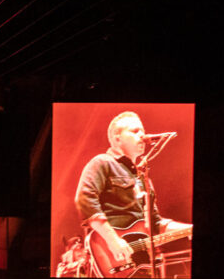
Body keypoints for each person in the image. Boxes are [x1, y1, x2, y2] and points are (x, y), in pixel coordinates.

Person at [75, 111, 192, 269]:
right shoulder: (102, 162)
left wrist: (188, 230)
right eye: (135, 131)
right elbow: (85, 199)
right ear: (117, 137)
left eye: (143, 131)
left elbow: (155, 224)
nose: (143, 135)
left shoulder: (144, 178)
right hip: (111, 252)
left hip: (141, 261)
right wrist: (113, 241)